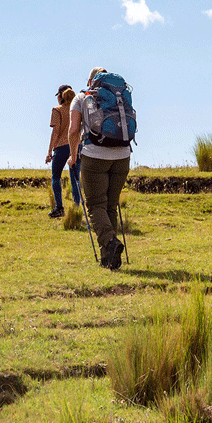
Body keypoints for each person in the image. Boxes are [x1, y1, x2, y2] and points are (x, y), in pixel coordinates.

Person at [67, 67, 130, 270]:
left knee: (95, 205)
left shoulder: (80, 98)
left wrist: (73, 155)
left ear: (91, 81)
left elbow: (74, 130)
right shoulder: (120, 96)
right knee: (110, 205)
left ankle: (111, 243)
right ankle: (109, 258)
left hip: (95, 154)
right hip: (123, 155)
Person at [46, 84, 82, 218]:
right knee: (75, 179)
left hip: (61, 147)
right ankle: (77, 209)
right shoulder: (78, 110)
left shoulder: (57, 110)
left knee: (56, 177)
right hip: (77, 147)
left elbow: (55, 132)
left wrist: (49, 152)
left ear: (60, 96)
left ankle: (59, 208)